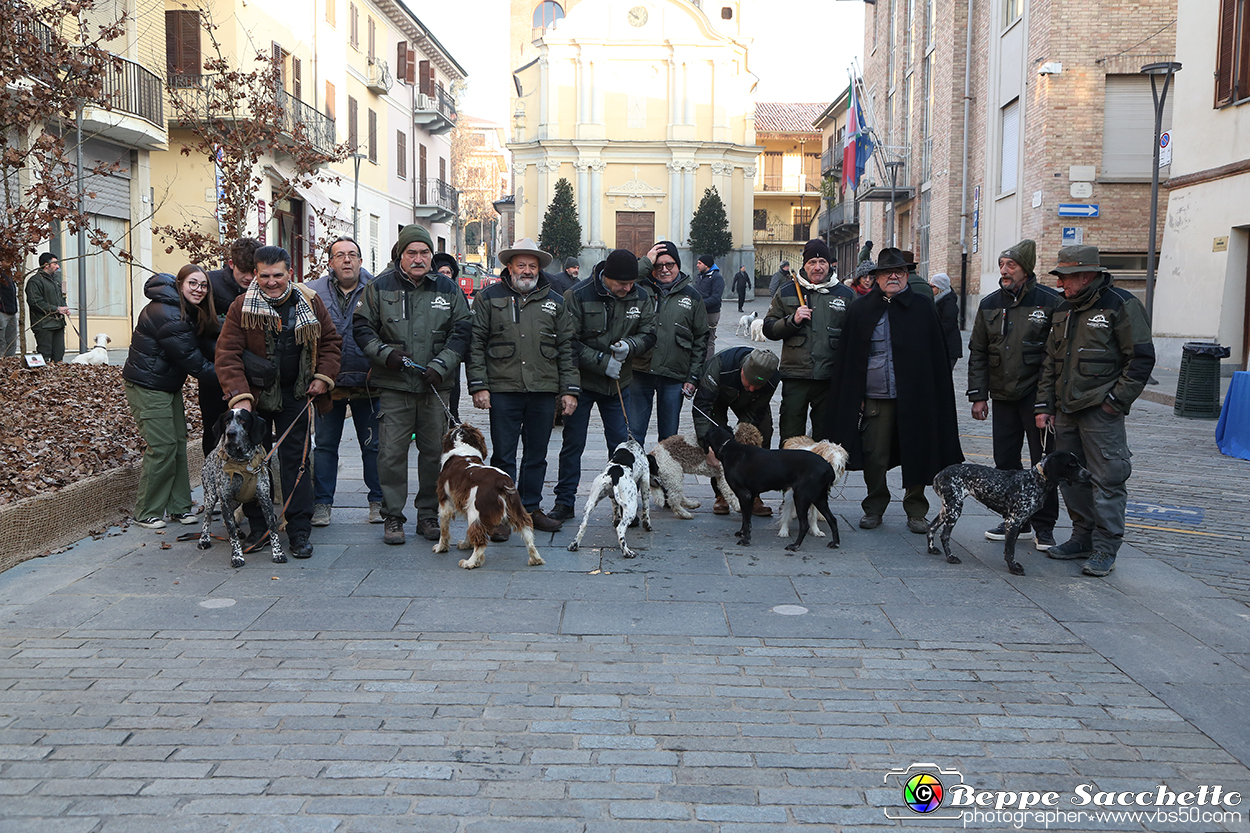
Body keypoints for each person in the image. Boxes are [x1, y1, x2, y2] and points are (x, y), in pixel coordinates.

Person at [1034, 245, 1155, 577]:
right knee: (1071, 479)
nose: (1060, 285)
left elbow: (1142, 358)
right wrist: (1045, 405)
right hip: (1067, 410)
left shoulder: (1122, 305)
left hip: (1102, 411)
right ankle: (1081, 538)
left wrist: (1115, 401)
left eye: (1066, 278)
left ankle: (1105, 548)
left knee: (1108, 479)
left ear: (1085, 276)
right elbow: (1050, 362)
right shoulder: (1063, 309)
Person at [216, 245, 342, 559]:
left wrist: (323, 377)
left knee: (297, 463)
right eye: (265, 276)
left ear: (290, 273)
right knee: (251, 465)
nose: (271, 282)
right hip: (254, 398)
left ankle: (299, 531)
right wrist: (240, 398)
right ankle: (259, 528)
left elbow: (330, 343)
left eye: (278, 275)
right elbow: (227, 355)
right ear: (255, 275)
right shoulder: (241, 306)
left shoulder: (311, 303)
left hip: (297, 394)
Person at [826, 247, 964, 533]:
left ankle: (916, 510)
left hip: (915, 396)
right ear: (875, 278)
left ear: (906, 275)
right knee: (875, 455)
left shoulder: (924, 307)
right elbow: (849, 358)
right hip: (876, 395)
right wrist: (855, 397)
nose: (893, 277)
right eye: (887, 273)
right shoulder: (861, 309)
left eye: (899, 272)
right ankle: (874, 507)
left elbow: (936, 357)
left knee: (918, 451)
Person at [353, 224, 472, 545]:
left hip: (435, 387)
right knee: (390, 454)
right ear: (400, 256)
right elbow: (362, 329)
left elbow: (462, 331)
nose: (419, 259)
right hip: (393, 386)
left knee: (434, 453)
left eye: (424, 253)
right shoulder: (378, 288)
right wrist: (386, 355)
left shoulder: (448, 288)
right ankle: (393, 516)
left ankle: (428, 515)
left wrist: (441, 365)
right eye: (412, 253)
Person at [467, 238, 578, 537]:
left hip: (543, 390)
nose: (527, 271)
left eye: (532, 266)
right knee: (503, 456)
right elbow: (475, 343)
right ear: (509, 267)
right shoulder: (488, 298)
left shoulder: (556, 301)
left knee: (537, 454)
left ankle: (530, 508)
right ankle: (501, 514)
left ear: (539, 269)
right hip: (502, 390)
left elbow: (567, 347)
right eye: (521, 265)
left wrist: (569, 389)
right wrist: (479, 386)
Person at [966, 239, 1063, 550]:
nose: (1004, 271)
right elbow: (978, 352)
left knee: (1044, 464)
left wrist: (1048, 402)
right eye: (1001, 265)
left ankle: (1044, 526)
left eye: (1011, 265)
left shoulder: (1050, 301)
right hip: (1003, 396)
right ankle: (1014, 520)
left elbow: (1057, 355)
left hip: (1036, 397)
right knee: (1005, 461)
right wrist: (978, 395)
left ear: (1026, 269)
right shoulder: (990, 304)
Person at [550, 249, 657, 521]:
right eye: (621, 283)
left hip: (619, 385)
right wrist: (600, 361)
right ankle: (564, 501)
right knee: (573, 444)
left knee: (621, 447)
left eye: (631, 283)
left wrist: (630, 347)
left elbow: (650, 334)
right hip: (582, 384)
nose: (627, 288)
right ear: (605, 277)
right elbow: (568, 342)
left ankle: (623, 506)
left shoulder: (641, 297)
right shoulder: (578, 295)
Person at [121, 270, 218, 529]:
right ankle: (146, 512)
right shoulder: (169, 315)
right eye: (192, 283)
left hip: (166, 384)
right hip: (148, 385)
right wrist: (234, 379)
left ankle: (179, 507)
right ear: (179, 284)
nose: (199, 289)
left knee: (177, 443)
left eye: (203, 285)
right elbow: (195, 363)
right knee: (163, 446)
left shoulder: (182, 307)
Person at [307, 236, 382, 528]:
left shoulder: (377, 289)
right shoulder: (312, 292)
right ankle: (322, 504)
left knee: (373, 446)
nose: (347, 260)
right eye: (340, 255)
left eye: (352, 255)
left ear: (361, 261)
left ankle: (378, 502)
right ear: (330, 262)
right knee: (325, 446)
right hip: (328, 383)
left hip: (368, 382)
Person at [763, 238, 855, 444]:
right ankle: (789, 476)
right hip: (796, 376)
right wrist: (792, 320)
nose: (817, 267)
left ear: (830, 264)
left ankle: (822, 476)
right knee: (791, 436)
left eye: (822, 261)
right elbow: (768, 328)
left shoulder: (845, 294)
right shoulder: (787, 291)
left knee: (825, 439)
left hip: (829, 379)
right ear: (804, 265)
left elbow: (855, 337)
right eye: (812, 262)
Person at [629, 241, 709, 445]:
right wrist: (646, 261)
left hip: (674, 374)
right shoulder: (638, 289)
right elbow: (622, 281)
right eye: (658, 265)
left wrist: (693, 376)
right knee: (634, 433)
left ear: (678, 265)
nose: (664, 269)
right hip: (640, 371)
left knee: (669, 438)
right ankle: (632, 474)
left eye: (670, 264)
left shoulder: (693, 297)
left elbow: (701, 339)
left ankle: (663, 476)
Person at [692, 346, 781, 516]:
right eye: (750, 383)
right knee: (717, 439)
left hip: (752, 404)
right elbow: (701, 407)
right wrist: (706, 446)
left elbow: (755, 414)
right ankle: (722, 494)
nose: (753, 388)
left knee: (762, 433)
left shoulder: (772, 378)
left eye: (758, 385)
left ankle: (752, 494)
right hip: (716, 398)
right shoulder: (719, 366)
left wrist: (743, 443)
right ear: (742, 370)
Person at [430, 253, 464, 423]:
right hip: (431, 349)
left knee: (454, 383)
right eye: (441, 272)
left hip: (452, 349)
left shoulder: (457, 293)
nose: (445, 276)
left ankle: (453, 414)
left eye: (448, 273)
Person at [207, 237, 261, 322]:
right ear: (231, 264)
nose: (249, 277)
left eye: (254, 272)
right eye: (242, 271)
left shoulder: (267, 287)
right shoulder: (209, 283)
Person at [26, 253, 68, 362]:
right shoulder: (35, 281)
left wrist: (64, 308)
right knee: (44, 355)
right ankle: (41, 378)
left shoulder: (55, 281)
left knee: (59, 355)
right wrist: (57, 309)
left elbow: (61, 299)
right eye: (55, 263)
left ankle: (57, 378)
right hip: (43, 325)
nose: (58, 266)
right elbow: (35, 302)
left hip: (58, 323)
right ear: (46, 265)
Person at [929, 273, 962, 372]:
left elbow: (947, 325)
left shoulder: (949, 302)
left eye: (932, 286)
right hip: (942, 347)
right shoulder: (938, 300)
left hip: (949, 348)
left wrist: (932, 335)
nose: (930, 289)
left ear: (940, 288)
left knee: (944, 375)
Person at [694, 254, 724, 360]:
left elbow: (716, 298)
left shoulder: (717, 278)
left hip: (711, 313)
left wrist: (700, 304)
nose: (697, 265)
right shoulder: (700, 276)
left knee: (709, 339)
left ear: (706, 265)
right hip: (699, 311)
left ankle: (708, 362)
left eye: (699, 263)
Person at [0, 266, 17, 356]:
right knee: (1, 341)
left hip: (12, 312)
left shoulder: (9, 274)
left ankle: (10, 362)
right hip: (2, 312)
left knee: (12, 342)